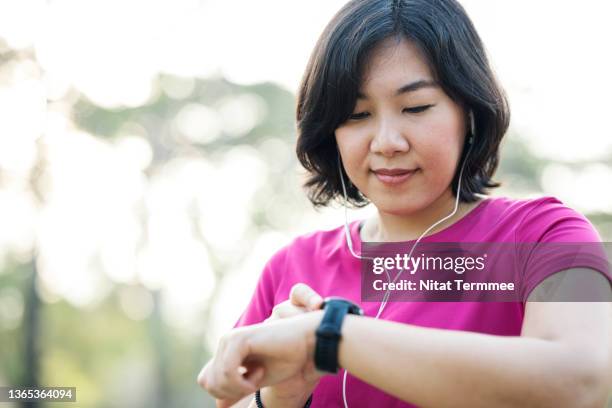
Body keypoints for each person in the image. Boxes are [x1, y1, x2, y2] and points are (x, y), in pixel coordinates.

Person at [198, 0, 612, 407]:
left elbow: (580, 381)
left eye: (415, 107)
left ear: (468, 111)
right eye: (357, 115)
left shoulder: (543, 236)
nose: (387, 143)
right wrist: (279, 397)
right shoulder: (292, 266)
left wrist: (329, 336)